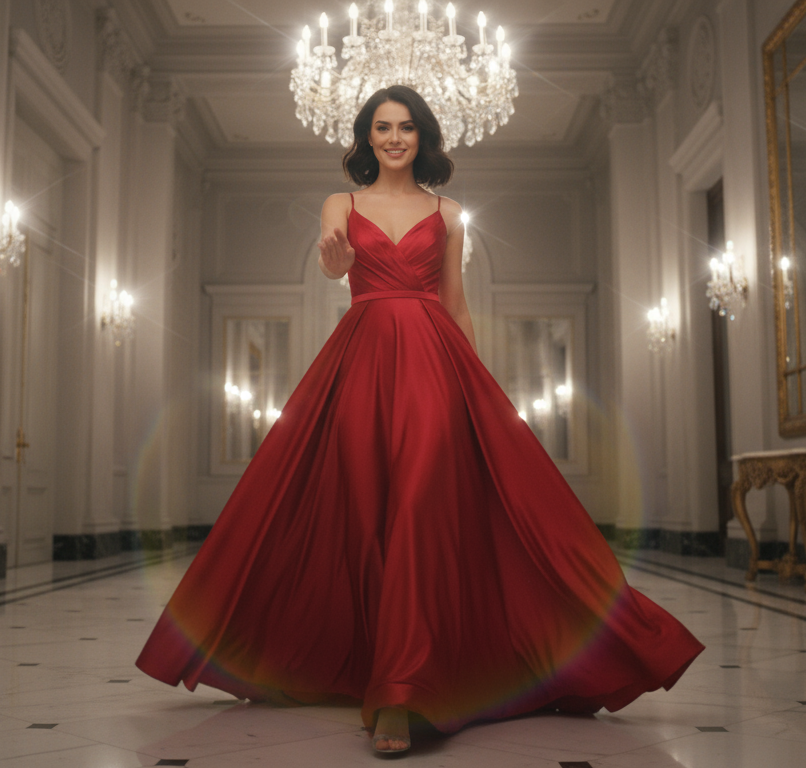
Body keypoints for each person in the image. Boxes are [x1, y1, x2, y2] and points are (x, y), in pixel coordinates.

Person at [135, 85, 704, 756]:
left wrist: (476, 386)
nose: (395, 137)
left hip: (436, 364)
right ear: (365, 137)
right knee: (367, 510)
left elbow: (455, 304)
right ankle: (375, 671)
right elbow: (330, 255)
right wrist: (335, 262)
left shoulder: (450, 212)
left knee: (419, 506)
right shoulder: (340, 203)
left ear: (423, 136)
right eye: (382, 127)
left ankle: (401, 698)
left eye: (406, 126)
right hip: (363, 360)